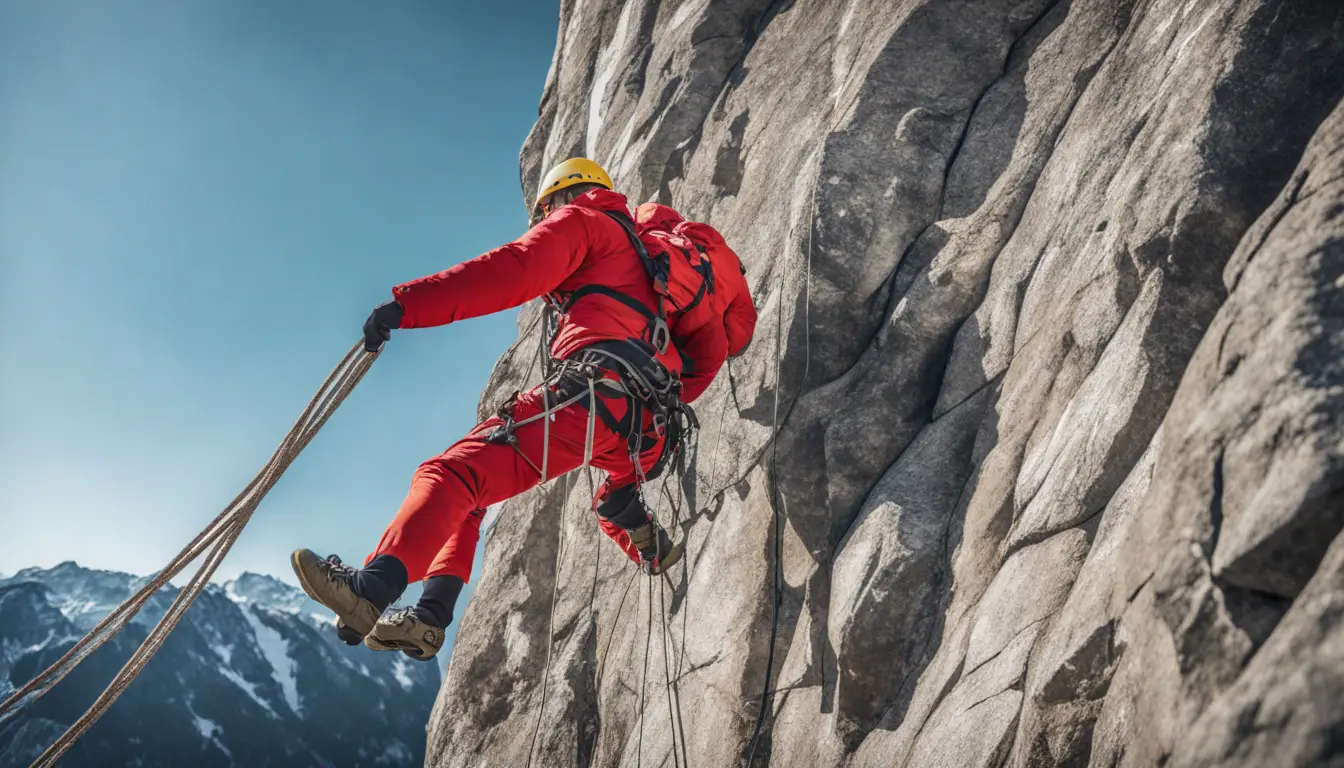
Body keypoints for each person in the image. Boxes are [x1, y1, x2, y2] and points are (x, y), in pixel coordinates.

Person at [291, 158, 755, 661]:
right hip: (647, 427)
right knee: (483, 496)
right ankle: (430, 617)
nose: (542, 223)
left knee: (450, 474)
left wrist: (409, 307)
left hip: (595, 398)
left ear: (560, 198)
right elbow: (716, 350)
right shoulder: (659, 267)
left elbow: (513, 270)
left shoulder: (586, 223)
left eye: (544, 213)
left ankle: (370, 589)